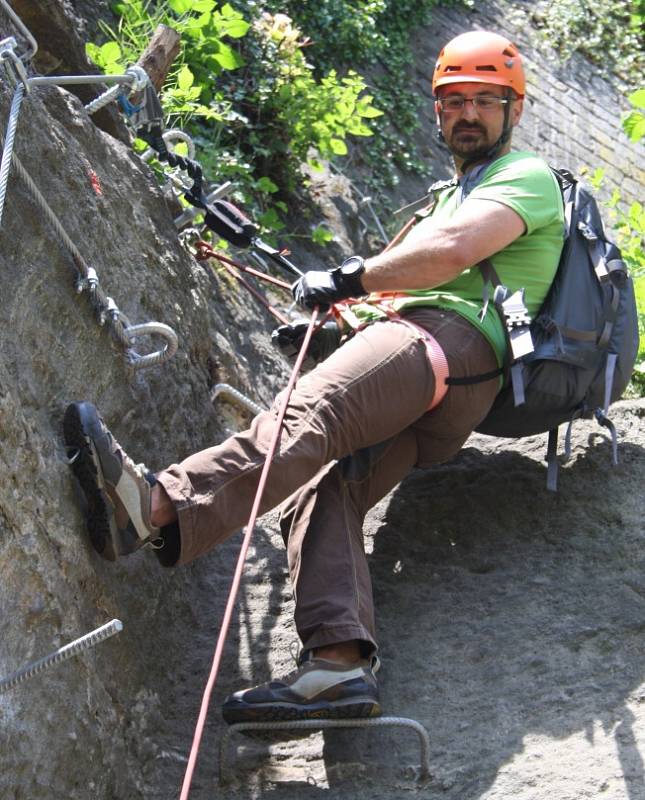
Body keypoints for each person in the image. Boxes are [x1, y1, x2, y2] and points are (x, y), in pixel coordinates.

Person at [64, 31, 564, 724]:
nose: (468, 113)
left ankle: (154, 506)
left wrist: (349, 275)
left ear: (515, 109)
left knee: (309, 415)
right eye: (454, 100)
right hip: (447, 388)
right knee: (322, 496)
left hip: (438, 344)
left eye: (485, 100)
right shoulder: (450, 192)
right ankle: (337, 666)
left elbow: (451, 254)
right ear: (437, 111)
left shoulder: (525, 176)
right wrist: (334, 322)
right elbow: (412, 275)